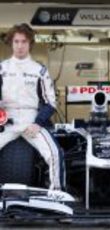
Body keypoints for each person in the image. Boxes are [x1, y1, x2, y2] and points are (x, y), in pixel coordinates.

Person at [0, 23, 65, 190]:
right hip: (6, 122)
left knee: (54, 153)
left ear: (30, 44)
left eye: (24, 41)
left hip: (31, 122)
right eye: (16, 41)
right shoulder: (2, 69)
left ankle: (57, 194)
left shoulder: (39, 71)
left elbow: (50, 103)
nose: (20, 46)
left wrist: (38, 123)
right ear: (11, 43)